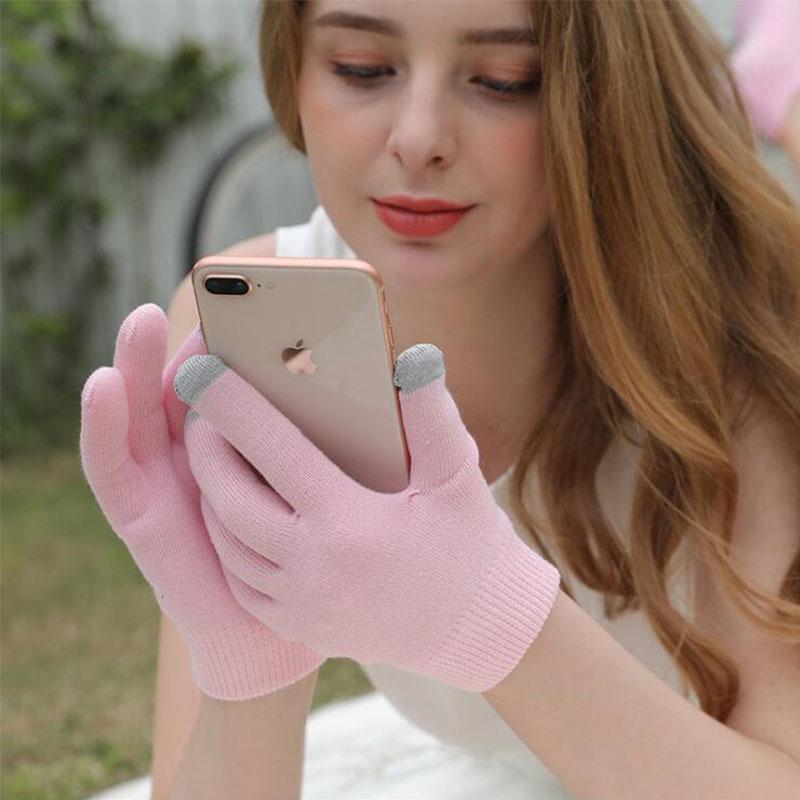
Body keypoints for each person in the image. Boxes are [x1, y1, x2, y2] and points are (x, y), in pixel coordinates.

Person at [82, 2, 800, 799]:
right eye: (361, 67)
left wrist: (490, 617)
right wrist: (251, 660)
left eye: (504, 80)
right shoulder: (242, 329)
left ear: (606, 101)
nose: (419, 137)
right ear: (294, 74)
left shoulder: (732, 337)